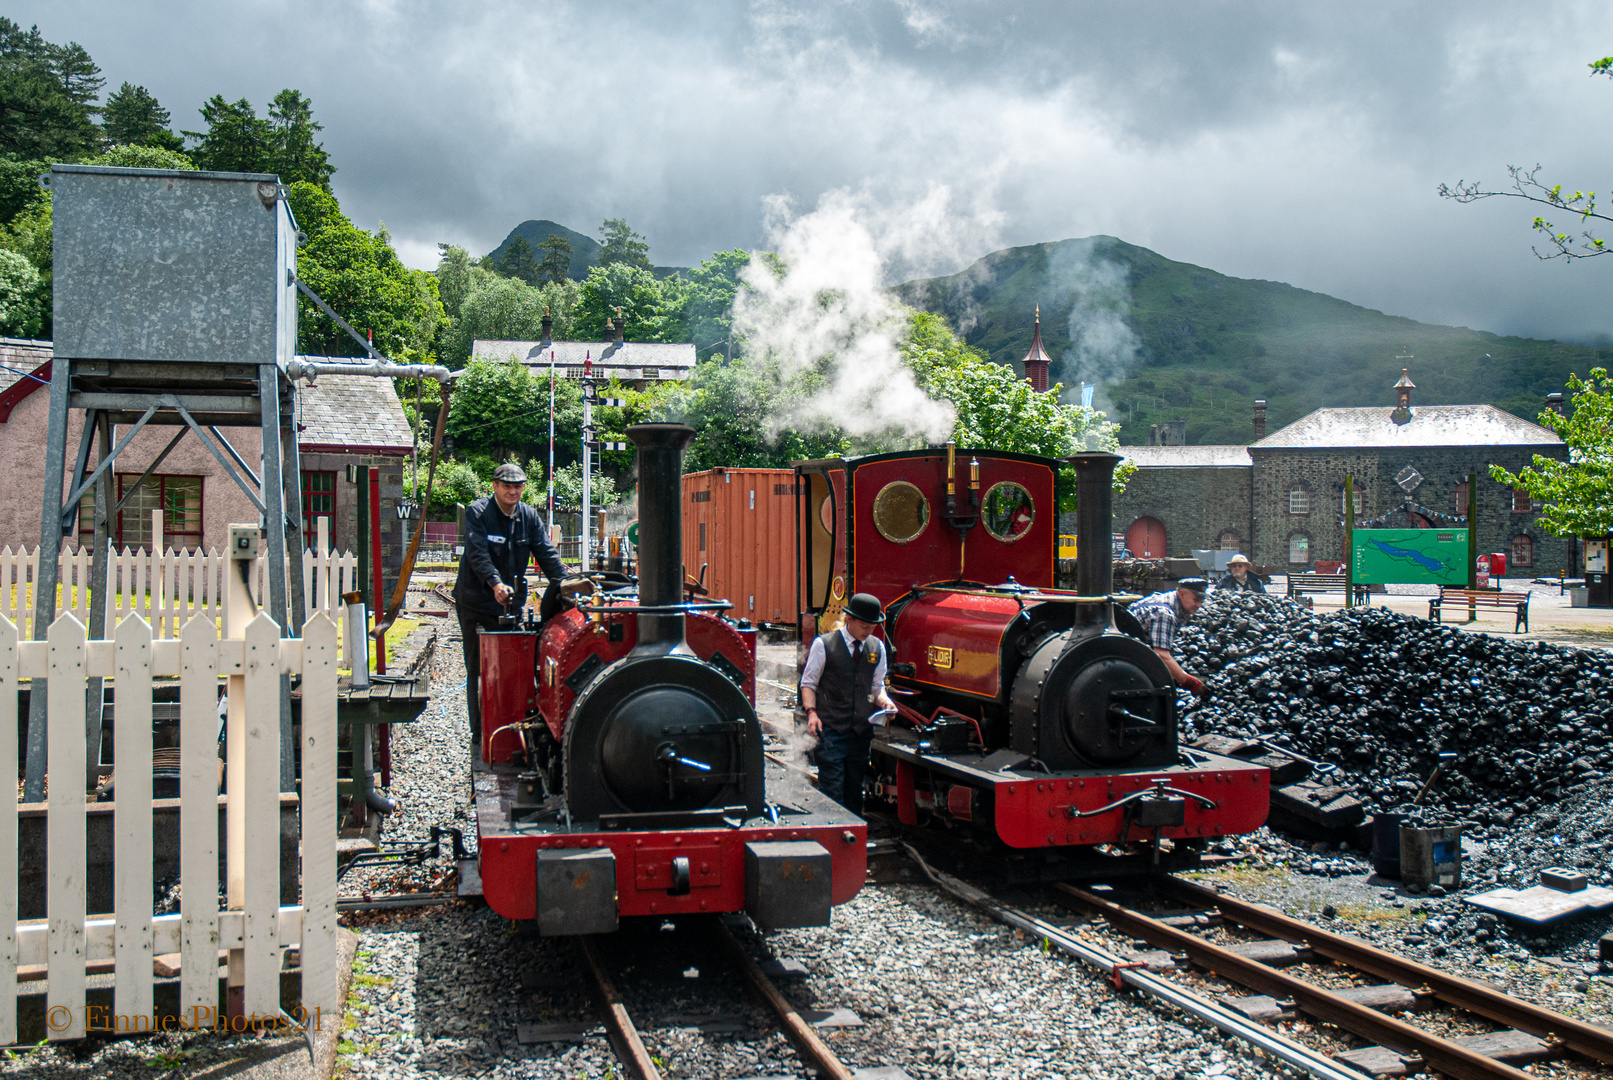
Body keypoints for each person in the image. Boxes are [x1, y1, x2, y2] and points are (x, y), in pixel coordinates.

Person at [453, 462, 565, 755]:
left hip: (511, 603)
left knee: (514, 668)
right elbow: (477, 554)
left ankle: (513, 724)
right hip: (477, 602)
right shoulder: (478, 513)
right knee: (478, 669)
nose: (513, 491)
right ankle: (480, 733)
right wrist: (495, 583)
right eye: (507, 486)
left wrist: (569, 582)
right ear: (495, 487)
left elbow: (545, 553)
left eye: (517, 487)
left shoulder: (528, 516)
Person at [799, 593, 896, 813]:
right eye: (864, 625)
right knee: (832, 791)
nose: (869, 631)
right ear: (849, 619)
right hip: (831, 730)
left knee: (854, 791)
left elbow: (877, 686)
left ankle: (851, 838)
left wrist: (885, 703)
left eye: (873, 627)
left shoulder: (877, 648)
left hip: (860, 734)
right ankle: (833, 838)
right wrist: (812, 713)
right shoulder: (824, 645)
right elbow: (808, 683)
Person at [1128, 577, 1210, 697]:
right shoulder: (1165, 613)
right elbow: (1161, 654)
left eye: (1201, 600)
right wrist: (1189, 682)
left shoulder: (1174, 602)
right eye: (1196, 600)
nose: (1199, 605)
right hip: (1130, 656)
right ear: (1181, 593)